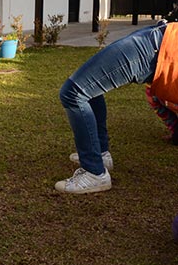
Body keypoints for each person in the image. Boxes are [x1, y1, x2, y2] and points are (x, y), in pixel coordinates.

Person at [57, 20, 175, 194]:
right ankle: (100, 159)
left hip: (160, 41)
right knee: (81, 89)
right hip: (159, 46)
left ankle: (95, 172)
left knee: (74, 93)